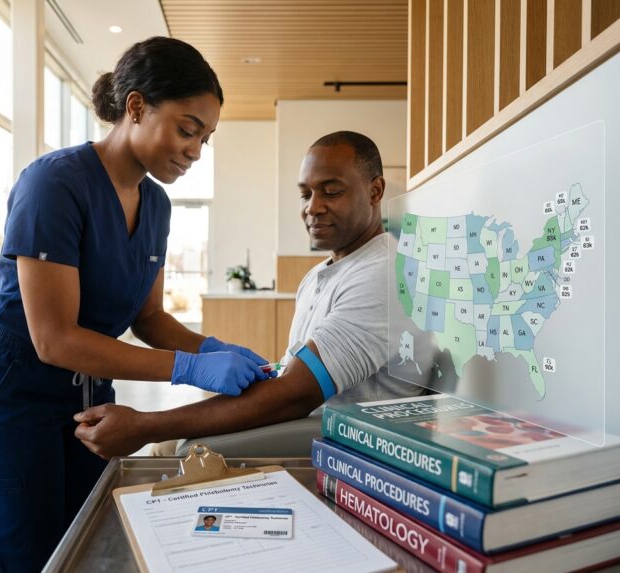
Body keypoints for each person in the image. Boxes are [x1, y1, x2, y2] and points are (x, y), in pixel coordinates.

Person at [0, 36, 272, 572]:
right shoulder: (54, 184)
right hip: (12, 387)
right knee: (27, 554)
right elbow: (53, 339)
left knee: (87, 541)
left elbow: (149, 318)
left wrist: (217, 348)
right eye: (187, 129)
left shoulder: (156, 204)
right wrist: (191, 367)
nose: (195, 150)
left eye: (205, 138)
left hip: (86, 391)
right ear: (136, 107)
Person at [74, 131, 427, 459]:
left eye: (331, 191)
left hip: (343, 440)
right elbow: (295, 377)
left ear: (375, 192)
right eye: (306, 193)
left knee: (174, 448)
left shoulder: (384, 275)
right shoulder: (322, 274)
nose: (312, 207)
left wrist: (144, 425)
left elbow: (296, 395)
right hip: (305, 417)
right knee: (168, 446)